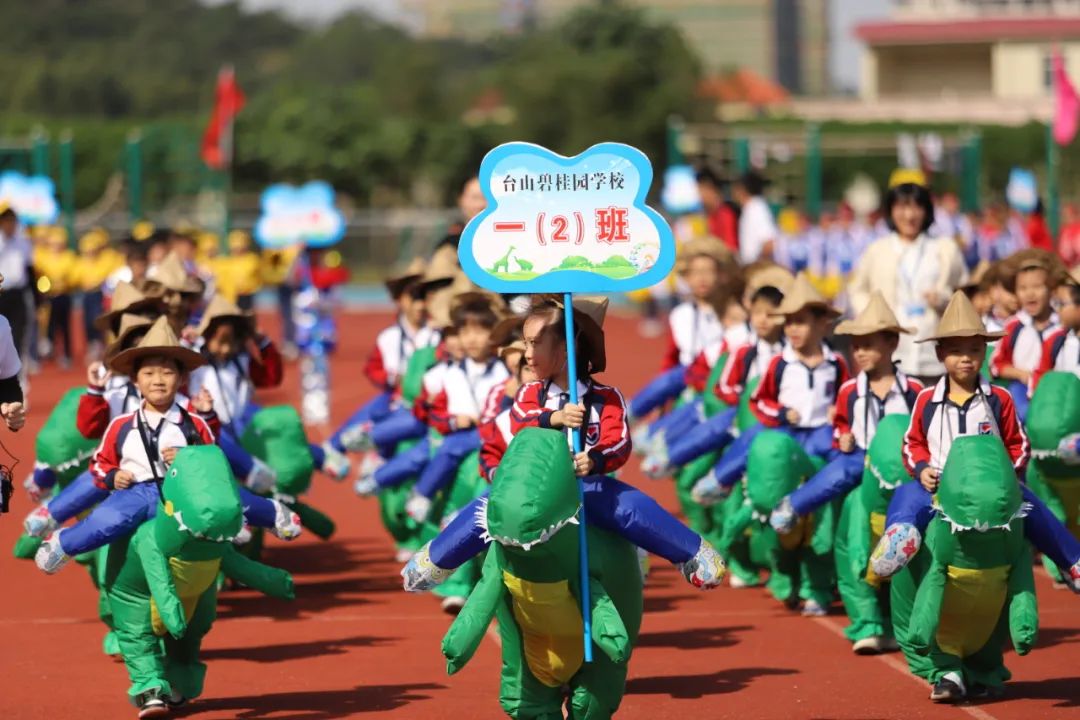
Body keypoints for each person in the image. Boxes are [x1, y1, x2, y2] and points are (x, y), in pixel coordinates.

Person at [402, 295, 726, 593]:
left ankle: (691, 552)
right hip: (534, 488)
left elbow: (619, 443)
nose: (527, 353)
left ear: (568, 347)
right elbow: (521, 420)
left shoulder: (607, 398)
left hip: (585, 488)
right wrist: (552, 418)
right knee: (486, 508)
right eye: (526, 344)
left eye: (535, 343)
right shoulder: (530, 393)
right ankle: (437, 558)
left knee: (629, 506)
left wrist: (595, 460)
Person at [869, 291, 1080, 589]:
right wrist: (921, 468)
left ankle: (1072, 562)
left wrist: (1006, 474)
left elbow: (1018, 445)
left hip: (990, 485)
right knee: (906, 495)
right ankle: (899, 536)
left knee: (1033, 505)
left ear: (984, 352)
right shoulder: (927, 399)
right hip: (939, 484)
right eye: (956, 351)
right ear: (941, 354)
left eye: (974, 349)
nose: (966, 358)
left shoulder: (999, 399)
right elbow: (912, 442)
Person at [769, 293, 923, 593]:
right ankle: (793, 505)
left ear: (892, 344)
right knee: (838, 473)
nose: (860, 352)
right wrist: (844, 438)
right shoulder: (850, 389)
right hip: (862, 455)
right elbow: (841, 422)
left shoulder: (913, 389)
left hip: (899, 461)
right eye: (856, 346)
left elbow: (921, 428)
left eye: (868, 344)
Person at [692, 273, 849, 501]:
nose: (793, 329)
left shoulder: (835, 363)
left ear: (822, 325)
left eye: (801, 322)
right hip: (784, 428)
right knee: (755, 440)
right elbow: (759, 401)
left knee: (847, 460)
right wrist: (782, 413)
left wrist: (840, 418)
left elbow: (847, 399)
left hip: (821, 432)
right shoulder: (780, 363)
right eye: (789, 322)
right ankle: (720, 479)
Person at [848, 170, 968, 382]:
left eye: (916, 207)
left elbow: (967, 294)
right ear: (891, 210)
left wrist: (943, 300)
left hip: (935, 352)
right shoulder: (877, 250)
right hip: (891, 352)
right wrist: (873, 316)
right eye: (902, 207)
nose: (910, 215)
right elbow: (857, 289)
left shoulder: (944, 248)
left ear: (927, 210)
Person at [403, 292, 510, 523]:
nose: (472, 339)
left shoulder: (502, 372)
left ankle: (428, 496)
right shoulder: (451, 373)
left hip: (490, 434)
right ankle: (423, 495)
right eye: (465, 332)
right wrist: (453, 421)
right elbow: (436, 415)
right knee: (448, 447)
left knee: (456, 448)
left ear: (493, 335)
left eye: (480, 331)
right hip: (459, 433)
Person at [988, 249, 1065, 421]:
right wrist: (1022, 375)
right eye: (1023, 288)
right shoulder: (1014, 326)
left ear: (1051, 290)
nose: (1030, 293)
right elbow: (996, 364)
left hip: (1054, 393)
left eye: (1037, 287)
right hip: (1021, 390)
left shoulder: (1062, 326)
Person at [33, 226, 77, 369]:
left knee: (65, 326)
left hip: (64, 295)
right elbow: (39, 273)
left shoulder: (69, 257)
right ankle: (49, 350)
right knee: (49, 325)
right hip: (49, 296)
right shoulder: (43, 256)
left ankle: (67, 354)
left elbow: (73, 276)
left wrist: (62, 281)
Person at [0, 206, 35, 366]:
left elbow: (29, 270)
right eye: (7, 222)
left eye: (13, 222)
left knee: (18, 332)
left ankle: (16, 370)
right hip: (1, 293)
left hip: (18, 294)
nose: (10, 226)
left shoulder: (23, 243)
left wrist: (36, 295)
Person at [732, 171, 777, 264]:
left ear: (742, 189)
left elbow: (769, 243)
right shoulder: (750, 208)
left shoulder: (757, 208)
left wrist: (757, 266)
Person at [695, 167, 738, 252]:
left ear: (711, 189)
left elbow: (731, 249)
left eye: (701, 190)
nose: (700, 195)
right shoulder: (707, 215)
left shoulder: (726, 215)